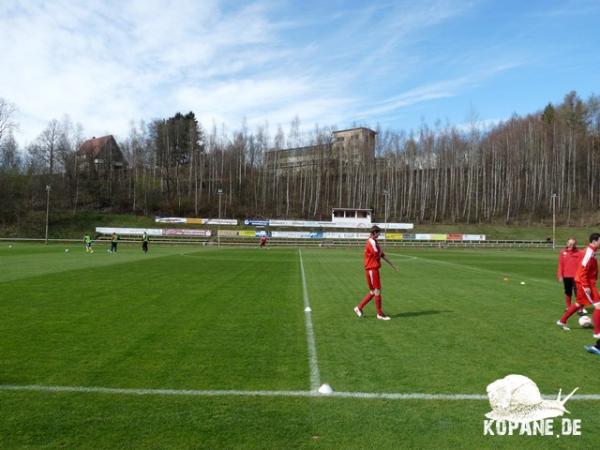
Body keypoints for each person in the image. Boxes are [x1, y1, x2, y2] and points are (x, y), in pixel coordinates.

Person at [557, 233, 600, 332]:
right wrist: (586, 285)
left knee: (579, 303)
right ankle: (598, 333)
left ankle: (562, 321)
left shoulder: (591, 251)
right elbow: (583, 270)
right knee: (598, 305)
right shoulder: (589, 252)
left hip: (584, 282)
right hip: (585, 283)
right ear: (594, 241)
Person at [354, 225, 398, 320]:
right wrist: (380, 252)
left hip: (370, 269)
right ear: (374, 233)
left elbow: (381, 254)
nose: (379, 235)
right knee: (377, 291)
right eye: (378, 233)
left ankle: (359, 308)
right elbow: (377, 254)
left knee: (373, 291)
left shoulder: (374, 242)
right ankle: (379, 314)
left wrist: (392, 265)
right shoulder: (371, 242)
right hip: (372, 270)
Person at [557, 238, 585, 315]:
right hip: (566, 276)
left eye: (573, 244)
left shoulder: (580, 252)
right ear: (567, 243)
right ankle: (568, 307)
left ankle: (580, 309)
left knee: (578, 293)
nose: (571, 245)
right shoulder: (563, 252)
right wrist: (560, 275)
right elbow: (560, 264)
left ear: (575, 245)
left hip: (577, 276)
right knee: (568, 291)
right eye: (570, 243)